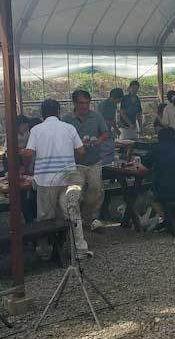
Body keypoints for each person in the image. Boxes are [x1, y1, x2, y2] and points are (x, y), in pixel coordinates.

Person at [23, 100, 90, 257]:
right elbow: (81, 151)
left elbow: (29, 153)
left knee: (45, 217)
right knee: (72, 213)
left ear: (42, 113)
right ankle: (80, 249)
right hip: (68, 178)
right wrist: (72, 164)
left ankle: (44, 250)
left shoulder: (36, 130)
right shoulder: (69, 128)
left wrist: (27, 167)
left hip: (45, 180)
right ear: (58, 112)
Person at [62, 90, 109, 232]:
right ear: (74, 103)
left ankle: (91, 217)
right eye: (81, 103)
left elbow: (105, 133)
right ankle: (76, 221)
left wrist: (99, 141)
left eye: (87, 103)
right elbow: (63, 140)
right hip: (75, 163)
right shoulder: (66, 120)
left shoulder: (96, 116)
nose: (84, 106)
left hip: (94, 160)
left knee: (96, 189)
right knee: (76, 192)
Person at [98, 88, 125, 164]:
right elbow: (108, 120)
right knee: (107, 152)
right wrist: (117, 130)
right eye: (119, 100)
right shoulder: (107, 105)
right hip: (103, 132)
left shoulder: (111, 104)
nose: (119, 102)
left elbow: (112, 119)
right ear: (114, 97)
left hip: (106, 131)